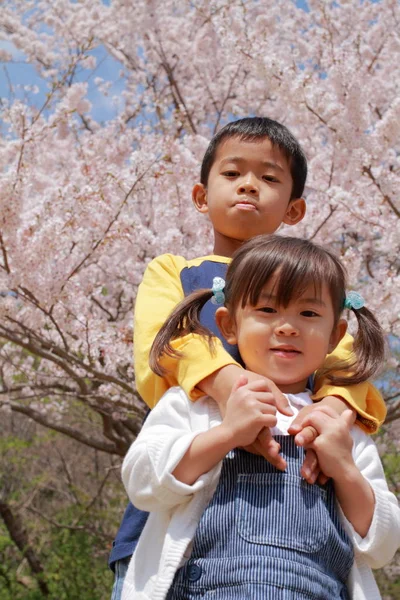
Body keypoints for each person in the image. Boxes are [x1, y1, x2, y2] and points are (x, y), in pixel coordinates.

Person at [109, 118, 386, 596]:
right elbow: (166, 346)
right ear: (201, 195)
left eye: (270, 178)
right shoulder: (175, 272)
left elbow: (348, 370)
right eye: (233, 174)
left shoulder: (319, 286)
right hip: (183, 517)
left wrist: (331, 416)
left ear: (295, 208)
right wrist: (238, 398)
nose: (249, 186)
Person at [121, 235, 400, 600]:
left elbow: (382, 546)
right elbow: (143, 482)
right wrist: (227, 433)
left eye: (309, 314)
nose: (287, 327)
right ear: (229, 325)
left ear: (335, 336)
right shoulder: (196, 405)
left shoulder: (341, 428)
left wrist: (344, 467)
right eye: (267, 311)